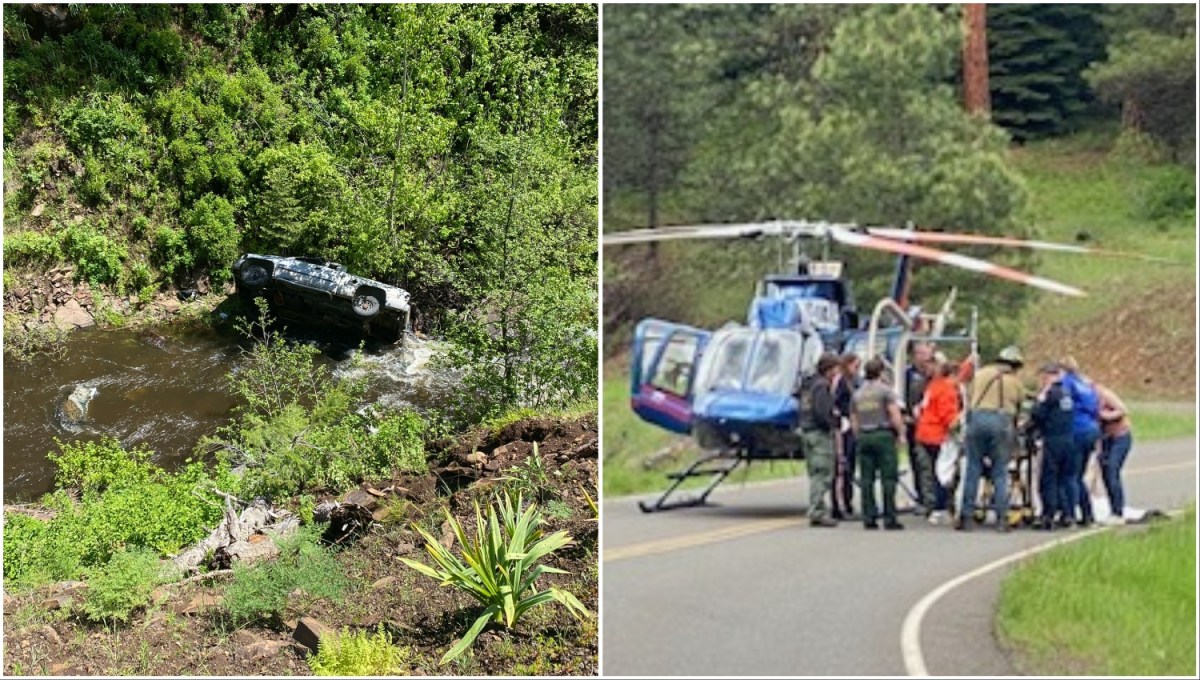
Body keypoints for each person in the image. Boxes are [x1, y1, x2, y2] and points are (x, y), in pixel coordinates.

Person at [957, 345, 1025, 532]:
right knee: (1000, 472)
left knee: (973, 468)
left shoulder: (980, 374)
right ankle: (1002, 518)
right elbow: (1019, 406)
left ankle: (967, 516)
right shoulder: (1014, 382)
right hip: (1001, 422)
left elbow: (969, 399)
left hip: (977, 420)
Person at [851, 357, 907, 530]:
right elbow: (894, 414)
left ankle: (869, 517)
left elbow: (854, 419)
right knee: (888, 477)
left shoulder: (857, 394)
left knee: (866, 479)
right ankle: (890, 517)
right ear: (881, 372)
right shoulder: (885, 391)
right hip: (882, 435)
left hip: (864, 436)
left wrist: (858, 436)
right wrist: (901, 433)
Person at [914, 356, 960, 525]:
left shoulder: (933, 386)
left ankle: (930, 505)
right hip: (938, 435)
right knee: (944, 473)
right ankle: (940, 508)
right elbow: (948, 416)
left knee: (929, 473)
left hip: (923, 432)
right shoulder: (948, 390)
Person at [797, 353, 842, 527]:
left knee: (815, 471)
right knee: (823, 472)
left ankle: (818, 507)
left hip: (806, 430)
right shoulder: (822, 386)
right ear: (829, 369)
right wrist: (833, 422)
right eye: (835, 369)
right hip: (819, 433)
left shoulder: (807, 385)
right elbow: (821, 411)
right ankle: (817, 510)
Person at [1029, 362, 1074, 531]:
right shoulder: (1066, 393)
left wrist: (1039, 401)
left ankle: (1049, 515)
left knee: (1048, 479)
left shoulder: (1050, 394)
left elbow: (1038, 414)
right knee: (1064, 479)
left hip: (1054, 440)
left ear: (1048, 376)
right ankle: (1067, 513)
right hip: (1068, 439)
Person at [1059, 356, 1101, 527]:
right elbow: (1095, 406)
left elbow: (1064, 407)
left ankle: (1070, 514)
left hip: (1076, 429)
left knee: (1069, 475)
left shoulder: (1067, 384)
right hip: (1091, 429)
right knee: (1078, 475)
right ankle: (1087, 513)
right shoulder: (1085, 384)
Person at [1095, 383, 1133, 525]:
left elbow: (1123, 410)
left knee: (1112, 470)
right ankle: (1113, 509)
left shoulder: (1104, 394)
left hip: (1121, 436)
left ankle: (1118, 511)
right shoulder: (1086, 400)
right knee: (1105, 473)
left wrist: (1105, 415)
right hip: (1105, 438)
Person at [904, 342, 935, 512]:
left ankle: (935, 498)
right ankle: (922, 496)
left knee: (932, 464)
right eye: (921, 354)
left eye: (927, 355)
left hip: (933, 425)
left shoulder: (936, 377)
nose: (924, 359)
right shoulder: (908, 374)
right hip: (913, 424)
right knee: (917, 462)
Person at [831, 352, 862, 520]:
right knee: (842, 467)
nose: (857, 370)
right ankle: (839, 504)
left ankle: (848, 502)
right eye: (855, 366)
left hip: (852, 426)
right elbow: (835, 404)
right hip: (843, 427)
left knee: (850, 466)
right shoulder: (841, 382)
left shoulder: (854, 382)